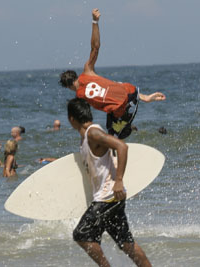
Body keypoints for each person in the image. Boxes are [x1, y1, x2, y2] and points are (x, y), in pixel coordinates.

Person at [68, 98, 151, 267]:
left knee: (81, 234)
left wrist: (118, 180)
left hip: (107, 197)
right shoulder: (86, 137)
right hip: (111, 197)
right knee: (127, 245)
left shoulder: (93, 133)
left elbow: (122, 147)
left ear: (72, 119)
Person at [59, 8, 165, 139]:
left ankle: (124, 132)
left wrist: (84, 137)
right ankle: (126, 127)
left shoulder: (80, 96)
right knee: (112, 128)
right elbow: (95, 47)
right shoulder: (88, 71)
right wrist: (94, 22)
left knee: (113, 138)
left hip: (124, 106)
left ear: (68, 87)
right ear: (75, 75)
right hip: (130, 94)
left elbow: (85, 120)